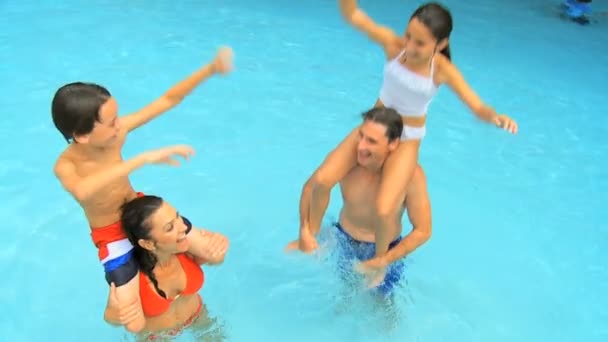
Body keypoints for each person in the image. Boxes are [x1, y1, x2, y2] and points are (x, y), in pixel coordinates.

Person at [303, 0, 517, 272]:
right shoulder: (394, 47)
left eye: (420, 43)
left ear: (440, 44)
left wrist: (496, 117)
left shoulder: (440, 69)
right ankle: (311, 236)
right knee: (322, 180)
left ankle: (379, 262)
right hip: (375, 126)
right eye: (409, 37)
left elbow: (475, 105)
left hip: (406, 138)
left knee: (384, 208)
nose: (410, 46)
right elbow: (355, 16)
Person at [51, 46, 233, 333]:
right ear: (82, 136)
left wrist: (209, 70)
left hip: (139, 210)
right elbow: (84, 191)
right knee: (133, 320)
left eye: (117, 117)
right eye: (111, 123)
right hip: (111, 234)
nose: (119, 126)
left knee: (212, 251)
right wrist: (142, 159)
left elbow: (167, 100)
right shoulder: (66, 166)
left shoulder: (114, 135)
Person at [286, 107, 432, 296]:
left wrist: (384, 261)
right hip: (342, 237)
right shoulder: (347, 163)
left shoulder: (411, 176)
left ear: (393, 144)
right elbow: (310, 187)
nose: (361, 146)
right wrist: (305, 231)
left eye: (371, 141)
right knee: (287, 256)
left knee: (381, 310)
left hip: (385, 249)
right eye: (361, 136)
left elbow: (423, 231)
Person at [104, 195, 229, 340]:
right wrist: (114, 313)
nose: (183, 227)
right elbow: (112, 320)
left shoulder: (185, 249)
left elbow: (216, 261)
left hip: (198, 316)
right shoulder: (132, 277)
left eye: (178, 217)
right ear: (148, 244)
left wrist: (219, 247)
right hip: (157, 337)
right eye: (170, 228)